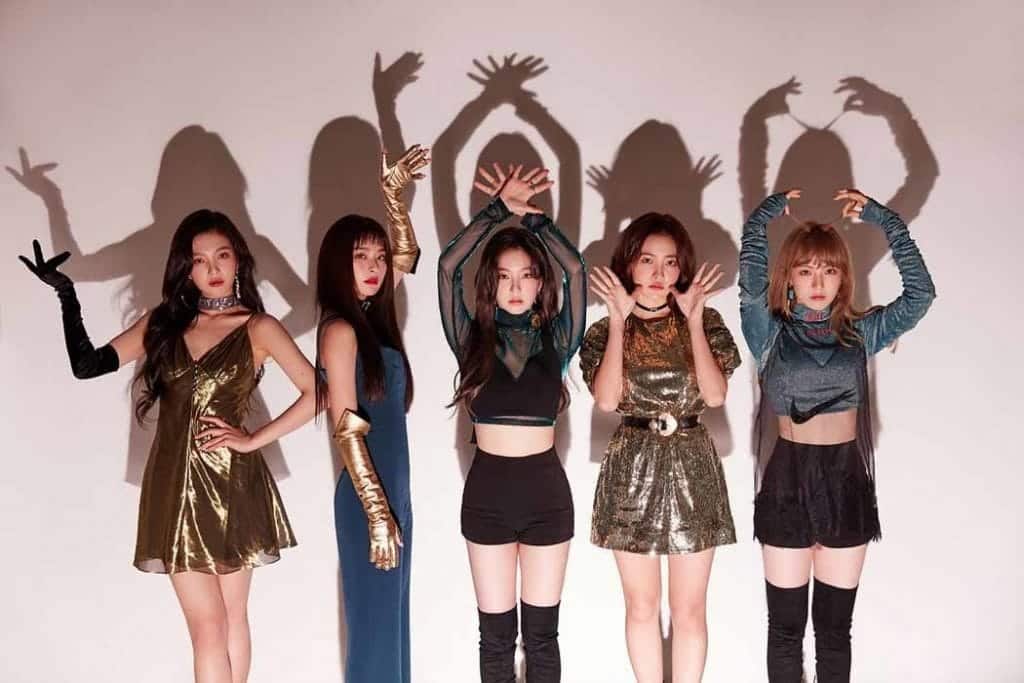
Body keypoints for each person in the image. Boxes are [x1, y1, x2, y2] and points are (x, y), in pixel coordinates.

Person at [19, 209, 316, 683]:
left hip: (234, 484)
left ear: (238, 260)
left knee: (232, 617)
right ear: (186, 268)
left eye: (222, 256)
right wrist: (66, 294)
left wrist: (252, 440)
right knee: (207, 626)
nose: (212, 268)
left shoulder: (258, 327)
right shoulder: (164, 323)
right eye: (199, 260)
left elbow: (318, 392)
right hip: (173, 487)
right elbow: (88, 364)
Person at [739, 188, 935, 681]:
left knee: (833, 631)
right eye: (805, 270)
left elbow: (921, 296)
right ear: (789, 277)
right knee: (785, 630)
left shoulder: (861, 332)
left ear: (844, 277)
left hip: (845, 482)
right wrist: (760, 221)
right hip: (787, 482)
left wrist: (886, 222)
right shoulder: (769, 333)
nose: (818, 281)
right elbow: (750, 284)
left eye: (828, 270)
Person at [438, 164, 585, 682]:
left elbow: (577, 271)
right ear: (491, 283)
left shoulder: (558, 339)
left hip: (547, 496)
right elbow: (447, 268)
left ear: (540, 281)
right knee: (496, 639)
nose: (516, 286)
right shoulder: (470, 340)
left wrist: (535, 220)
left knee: (542, 637)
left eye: (527, 275)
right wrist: (497, 212)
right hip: (487, 496)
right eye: (504, 276)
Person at [581, 214, 740, 683]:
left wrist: (693, 322)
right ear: (628, 264)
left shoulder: (705, 320)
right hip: (632, 465)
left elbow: (715, 395)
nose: (659, 273)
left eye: (670, 262)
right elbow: (607, 400)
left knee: (690, 608)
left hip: (692, 462)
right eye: (647, 260)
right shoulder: (603, 330)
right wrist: (618, 320)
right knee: (641, 605)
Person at [315, 145, 428, 682]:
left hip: (395, 493)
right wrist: (378, 514)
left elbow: (407, 255)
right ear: (338, 264)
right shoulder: (339, 330)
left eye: (377, 257)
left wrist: (393, 197)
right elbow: (347, 429)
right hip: (368, 500)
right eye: (361, 256)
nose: (376, 267)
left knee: (393, 626)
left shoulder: (372, 320)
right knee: (374, 632)